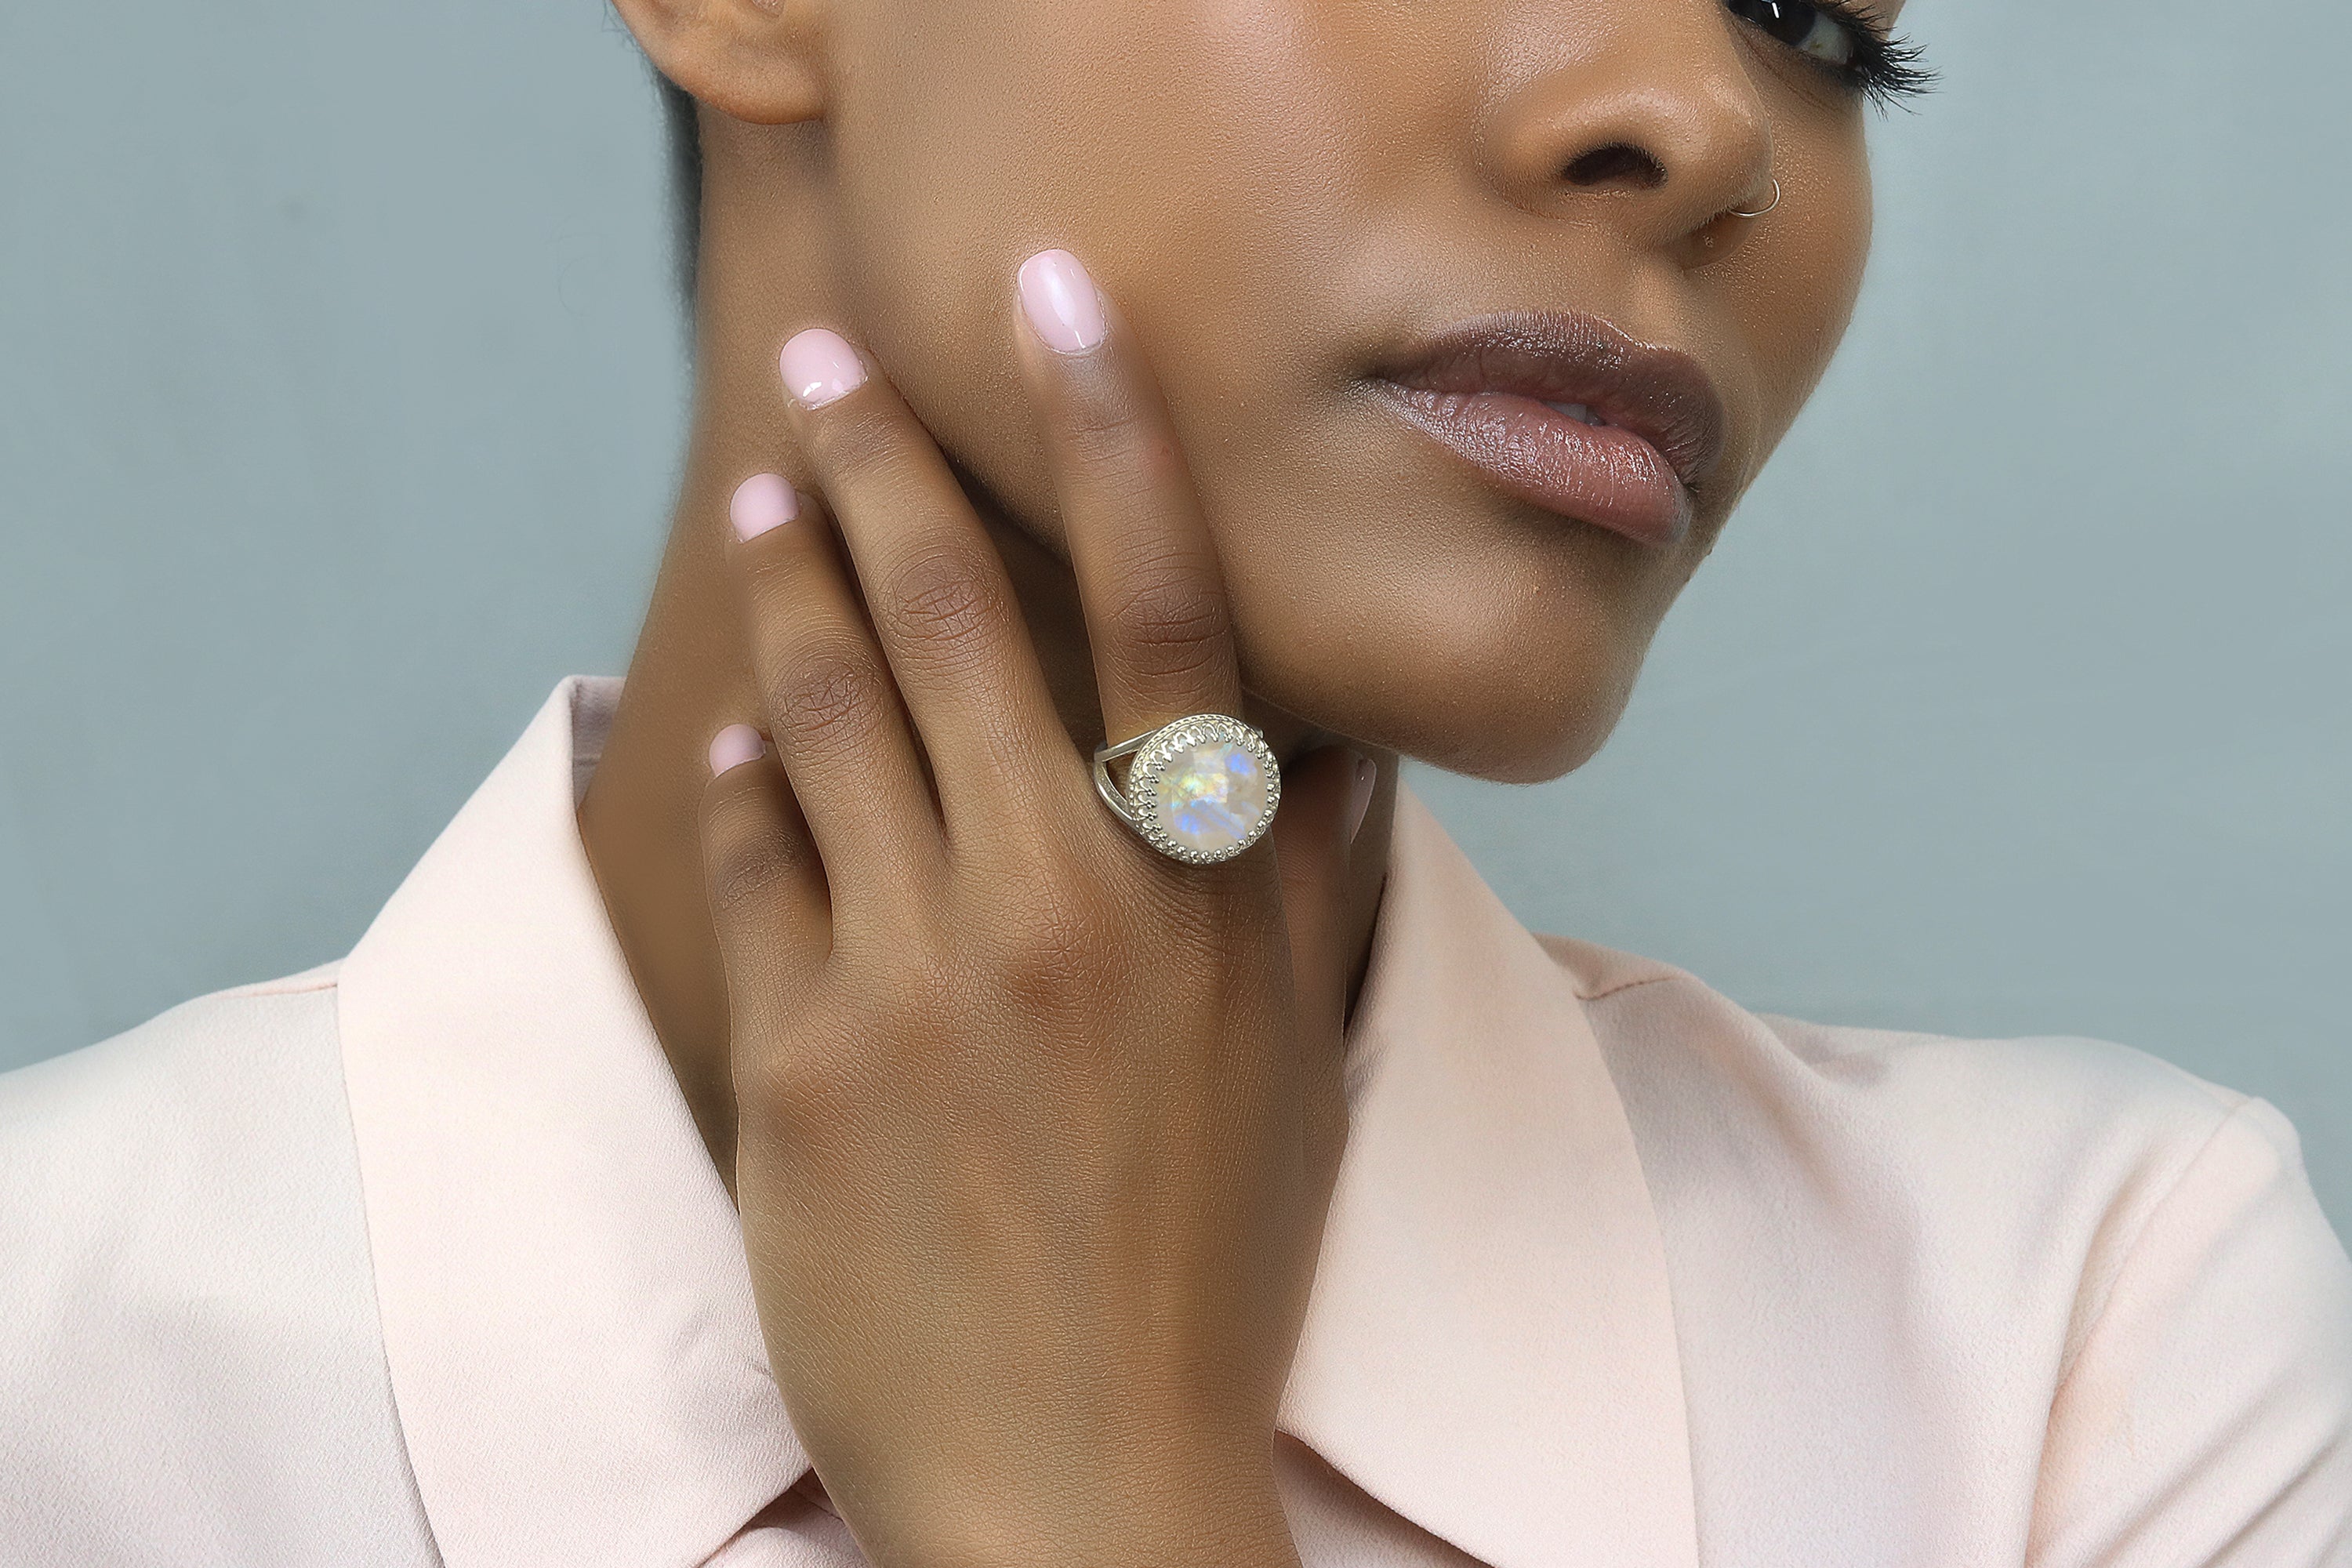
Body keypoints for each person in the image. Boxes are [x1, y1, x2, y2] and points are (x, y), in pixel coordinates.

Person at [5, 0, 2347, 1563]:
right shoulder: (59, 1367)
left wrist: (1085, 1506)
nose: (1710, 120)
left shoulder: (2086, 1360)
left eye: (1818, 21)